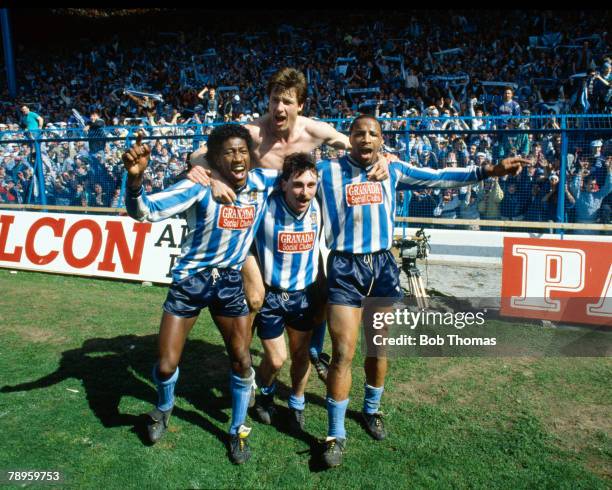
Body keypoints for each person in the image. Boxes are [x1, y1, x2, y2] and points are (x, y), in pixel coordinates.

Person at [318, 114, 529, 468]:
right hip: (344, 268)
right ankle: (335, 435)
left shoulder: (393, 169)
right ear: (348, 139)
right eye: (359, 133)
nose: (366, 139)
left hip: (382, 266)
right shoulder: (326, 172)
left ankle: (371, 410)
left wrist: (489, 171)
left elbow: (438, 177)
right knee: (342, 352)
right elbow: (283, 180)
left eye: (373, 134)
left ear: (382, 140)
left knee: (378, 346)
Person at [188, 67, 389, 376]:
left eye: (286, 101)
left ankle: (312, 351)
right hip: (257, 231)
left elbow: (361, 148)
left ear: (300, 105)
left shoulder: (314, 132)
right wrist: (214, 177)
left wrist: (383, 159)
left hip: (298, 227)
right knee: (255, 297)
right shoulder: (253, 133)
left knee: (321, 293)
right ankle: (242, 364)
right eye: (273, 100)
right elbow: (198, 154)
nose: (278, 108)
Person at [122, 125, 281, 465]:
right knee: (165, 366)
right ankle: (164, 407)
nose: (237, 158)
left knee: (241, 360)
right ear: (215, 159)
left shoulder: (263, 183)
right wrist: (134, 181)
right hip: (190, 282)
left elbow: (302, 176)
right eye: (228, 153)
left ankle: (237, 429)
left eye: (242, 151)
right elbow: (143, 211)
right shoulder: (196, 187)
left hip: (228, 282)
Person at [251, 152, 324, 432]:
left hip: (303, 297)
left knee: (301, 356)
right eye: (297, 185)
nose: (304, 192)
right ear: (283, 184)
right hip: (271, 297)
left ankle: (296, 403)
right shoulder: (265, 206)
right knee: (276, 358)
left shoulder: (319, 205)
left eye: (309, 185)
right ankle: (265, 395)